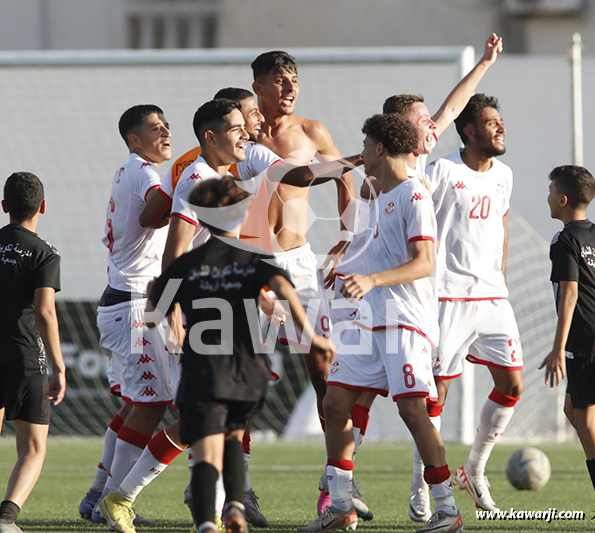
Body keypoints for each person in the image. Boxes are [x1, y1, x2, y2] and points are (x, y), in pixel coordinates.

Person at [300, 113, 463, 533]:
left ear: (379, 147)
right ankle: (340, 505)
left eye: (365, 144)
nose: (361, 152)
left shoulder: (414, 194)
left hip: (405, 321)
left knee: (412, 409)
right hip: (369, 321)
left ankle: (447, 510)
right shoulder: (379, 196)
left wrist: (371, 280)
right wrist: (347, 268)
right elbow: (378, 251)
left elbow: (424, 263)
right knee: (335, 403)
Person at [148, 176, 334, 533]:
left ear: (201, 217)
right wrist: (313, 337)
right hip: (247, 372)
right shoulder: (253, 260)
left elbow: (154, 312)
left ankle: (207, 522)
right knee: (234, 435)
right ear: (241, 214)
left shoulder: (187, 264)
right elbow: (284, 288)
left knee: (206, 448)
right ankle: (235, 504)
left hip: (203, 371)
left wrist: (155, 293)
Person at [411, 94, 523, 518]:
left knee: (512, 385)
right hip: (447, 298)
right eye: (493, 122)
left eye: (500, 121)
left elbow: (501, 226)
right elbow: (415, 216)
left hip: (492, 297)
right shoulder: (442, 170)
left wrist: (502, 279)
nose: (501, 128)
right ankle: (424, 484)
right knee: (434, 397)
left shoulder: (504, 175)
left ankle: (474, 469)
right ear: (470, 131)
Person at [80, 105, 173, 526]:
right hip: (135, 304)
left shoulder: (130, 169)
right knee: (152, 405)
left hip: (126, 300)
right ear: (135, 140)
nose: (165, 132)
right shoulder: (145, 172)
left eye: (166, 125)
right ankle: (113, 501)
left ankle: (99, 495)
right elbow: (157, 206)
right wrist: (194, 184)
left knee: (138, 404)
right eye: (155, 128)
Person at [0, 172, 66, 533]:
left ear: (4, 206)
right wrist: (59, 366)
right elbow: (45, 312)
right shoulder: (45, 253)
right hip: (25, 357)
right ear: (42, 206)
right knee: (33, 448)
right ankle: (6, 518)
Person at [541, 165, 595, 498]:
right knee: (571, 409)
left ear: (562, 200)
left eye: (550, 192)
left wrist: (558, 348)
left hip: (584, 337)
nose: (547, 197)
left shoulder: (564, 240)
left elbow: (570, 292)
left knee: (585, 419)